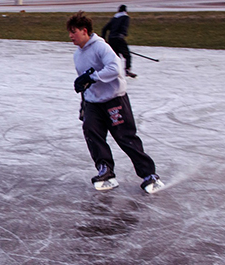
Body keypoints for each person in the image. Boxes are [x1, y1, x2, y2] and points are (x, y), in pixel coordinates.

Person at [68, 11, 164, 194]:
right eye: (70, 32)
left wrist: (92, 77)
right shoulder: (77, 55)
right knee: (92, 133)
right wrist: (83, 103)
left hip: (114, 100)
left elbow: (115, 68)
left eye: (74, 31)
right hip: (93, 103)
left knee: (125, 137)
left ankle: (149, 174)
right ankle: (105, 171)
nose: (71, 36)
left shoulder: (101, 47)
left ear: (85, 31)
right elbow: (86, 82)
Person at [101, 4, 137, 78]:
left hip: (111, 39)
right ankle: (127, 70)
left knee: (116, 57)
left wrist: (103, 39)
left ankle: (115, 71)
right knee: (127, 55)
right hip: (119, 38)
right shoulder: (125, 17)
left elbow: (104, 28)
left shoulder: (114, 18)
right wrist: (123, 34)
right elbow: (124, 28)